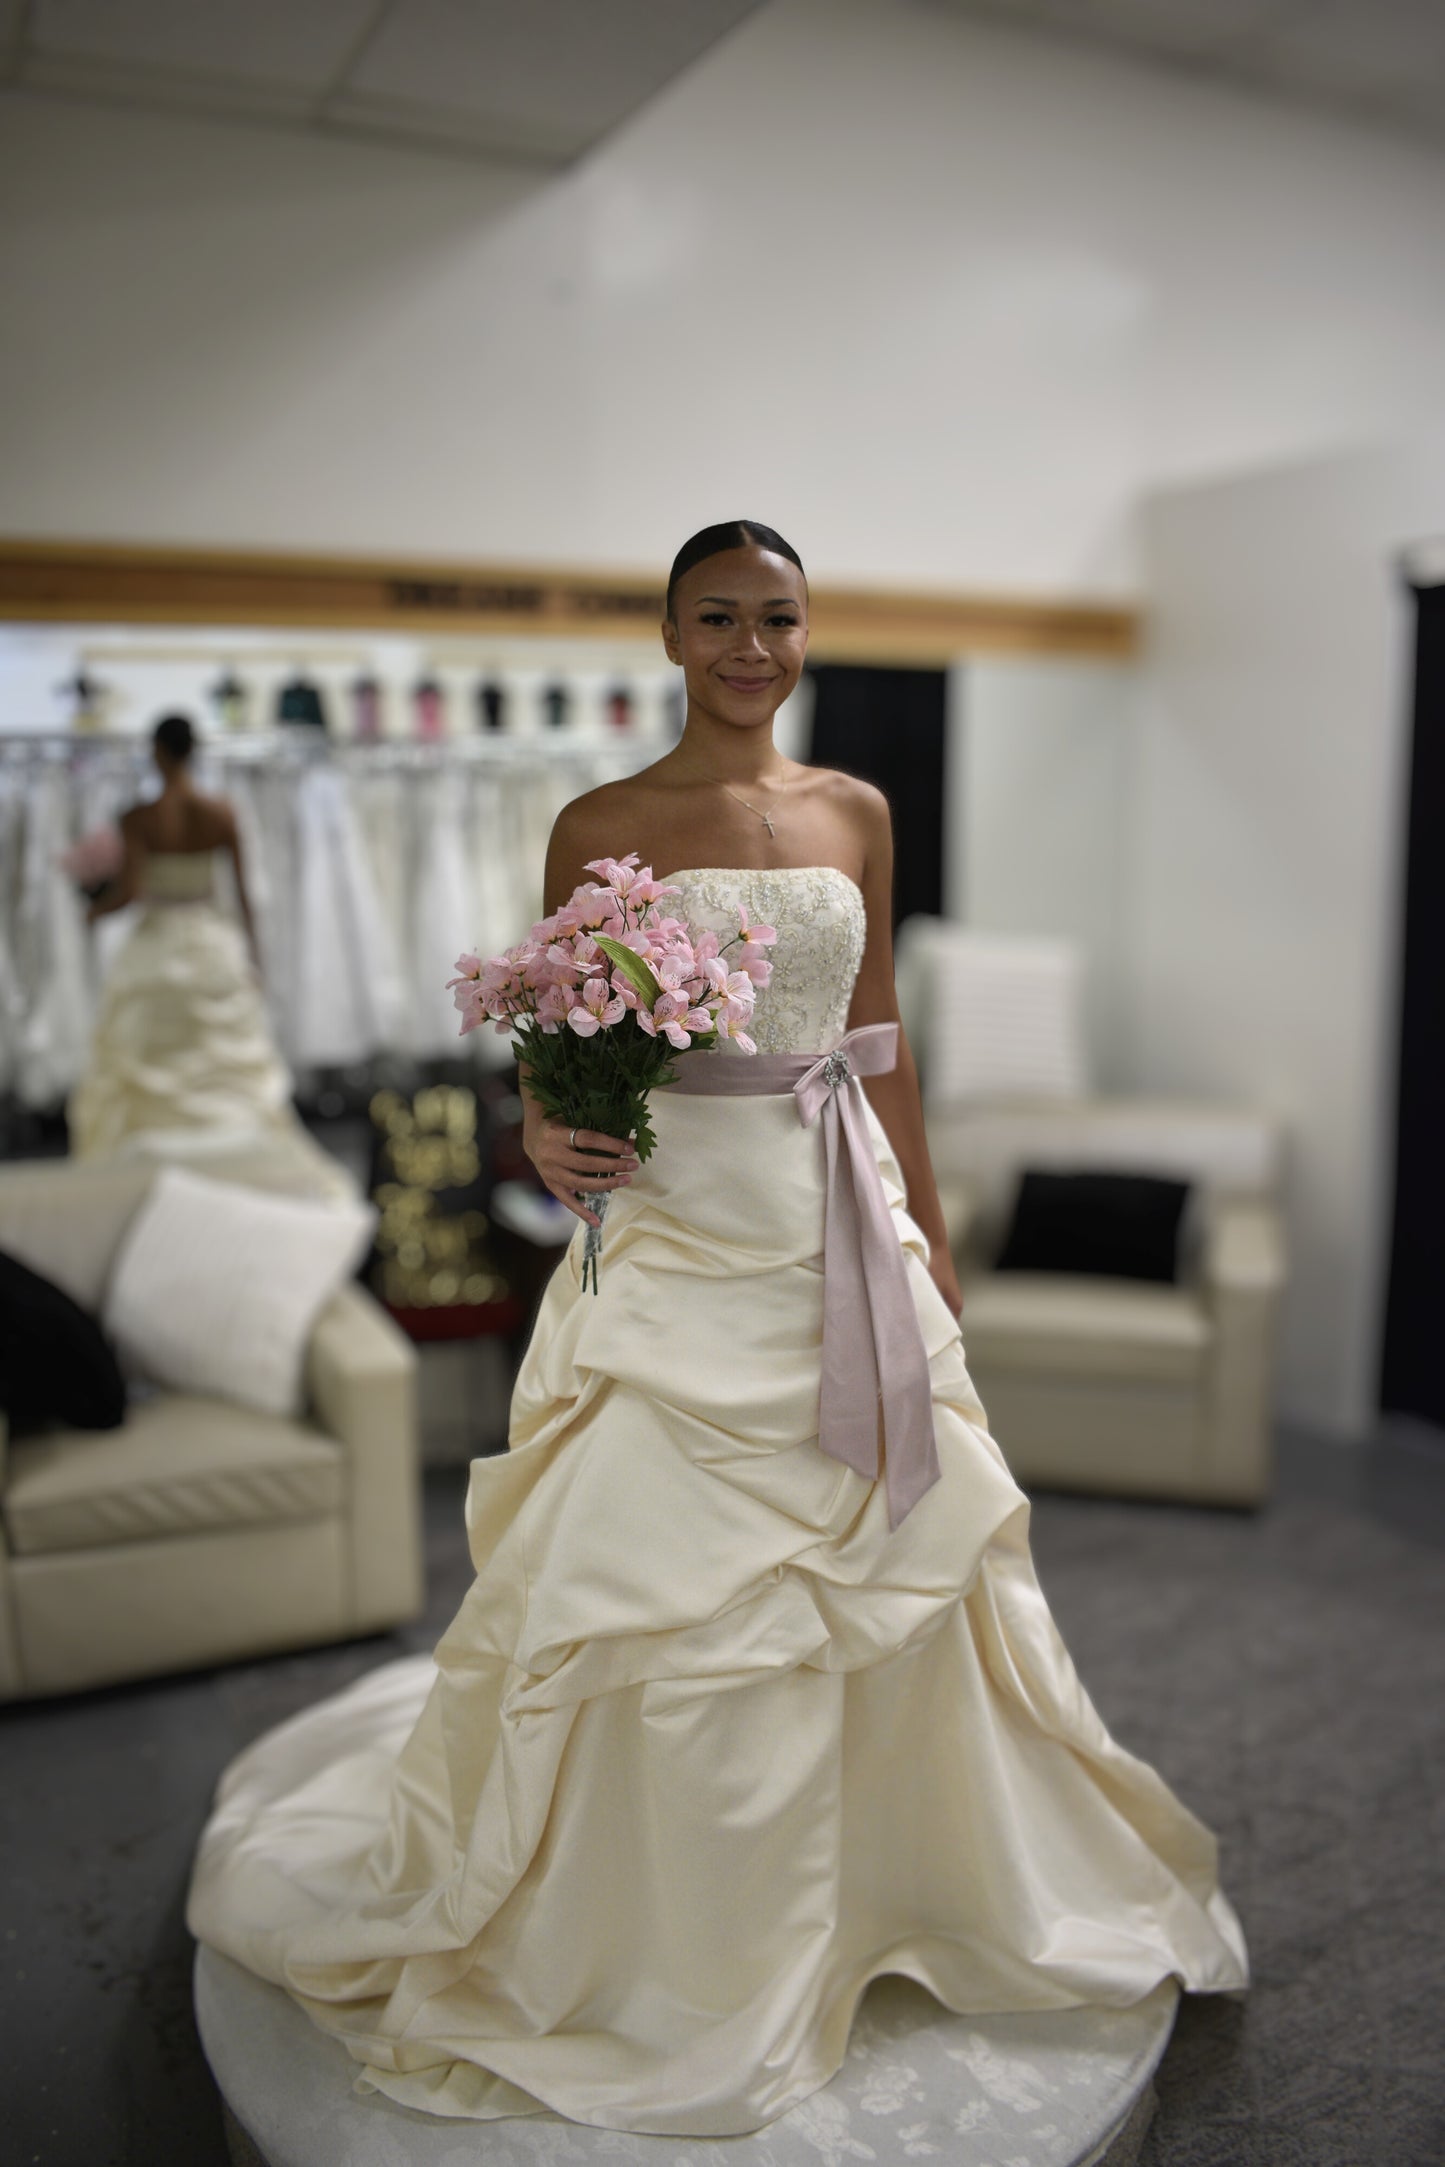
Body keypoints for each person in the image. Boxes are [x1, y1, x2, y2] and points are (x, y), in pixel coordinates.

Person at [187, 524, 1248, 2137]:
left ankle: (904, 1881)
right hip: (683, 1231)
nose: (752, 643)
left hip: (836, 1213)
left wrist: (931, 1234)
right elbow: (557, 1036)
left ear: (805, 631)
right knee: (651, 1569)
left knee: (895, 1557)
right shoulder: (602, 822)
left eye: (779, 616)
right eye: (718, 618)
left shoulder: (856, 811)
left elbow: (878, 1027)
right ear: (672, 638)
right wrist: (546, 1135)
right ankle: (665, 1933)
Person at [68, 713, 295, 1159]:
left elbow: (130, 891)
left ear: (157, 752)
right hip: (210, 936)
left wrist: (94, 909)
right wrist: (254, 957)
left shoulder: (139, 817)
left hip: (155, 940)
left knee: (146, 1048)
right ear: (193, 752)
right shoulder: (221, 811)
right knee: (222, 1057)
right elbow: (245, 894)